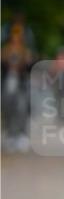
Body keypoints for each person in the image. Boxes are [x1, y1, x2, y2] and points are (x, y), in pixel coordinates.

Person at [1, 12, 36, 151]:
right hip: (8, 81)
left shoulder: (26, 49)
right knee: (7, 108)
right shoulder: (4, 50)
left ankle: (22, 134)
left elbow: (30, 65)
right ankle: (10, 134)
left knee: (22, 108)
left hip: (21, 83)